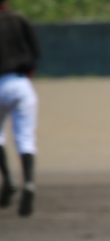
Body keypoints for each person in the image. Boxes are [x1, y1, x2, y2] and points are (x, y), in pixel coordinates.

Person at [0, 0, 40, 216]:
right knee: (25, 137)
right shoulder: (19, 20)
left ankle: (8, 178)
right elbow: (36, 51)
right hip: (20, 84)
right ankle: (29, 183)